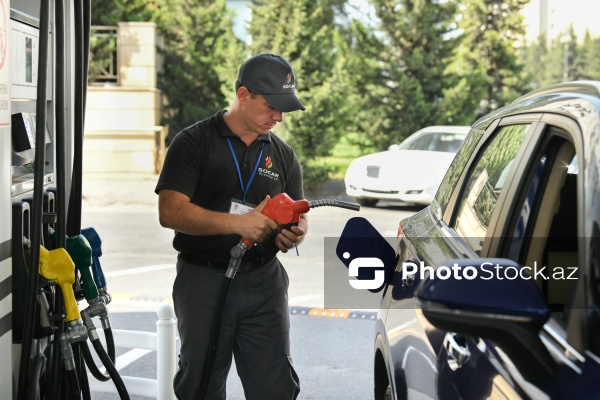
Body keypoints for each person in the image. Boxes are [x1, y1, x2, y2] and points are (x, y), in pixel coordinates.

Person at [155, 53, 307, 400]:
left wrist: (294, 233)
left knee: (276, 387)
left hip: (264, 282)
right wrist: (241, 223)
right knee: (201, 386)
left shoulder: (284, 155)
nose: (279, 117)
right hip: (203, 281)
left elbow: (298, 214)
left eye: (284, 108)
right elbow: (171, 211)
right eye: (271, 106)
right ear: (243, 95)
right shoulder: (194, 142)